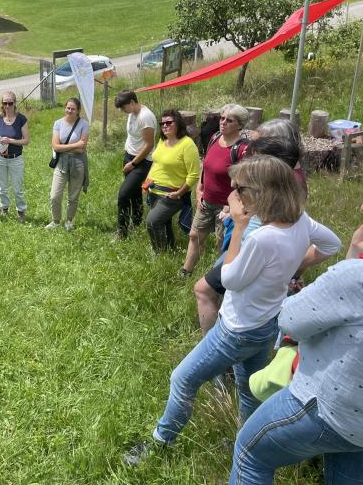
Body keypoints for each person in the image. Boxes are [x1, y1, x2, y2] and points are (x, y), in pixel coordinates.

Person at [125, 156, 340, 467]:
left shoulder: (263, 237)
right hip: (267, 325)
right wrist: (295, 265)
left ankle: (160, 442)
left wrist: (239, 226)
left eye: (238, 188)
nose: (233, 194)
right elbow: (332, 244)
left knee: (182, 379)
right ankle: (245, 437)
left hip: (237, 330)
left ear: (261, 192)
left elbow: (229, 279)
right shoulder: (300, 221)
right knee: (248, 388)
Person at [230, 156, 363, 484]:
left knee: (250, 452)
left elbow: (290, 320)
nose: (361, 208)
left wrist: (356, 252)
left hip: (329, 410)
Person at [193, 119, 308, 336]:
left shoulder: (282, 180)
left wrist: (237, 220)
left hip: (250, 244)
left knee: (205, 289)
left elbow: (271, 220)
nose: (251, 151)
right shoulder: (286, 174)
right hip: (250, 243)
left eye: (258, 145)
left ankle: (215, 345)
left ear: (275, 145)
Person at [179, 104, 249, 278]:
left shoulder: (243, 149)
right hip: (206, 200)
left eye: (229, 120)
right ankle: (186, 271)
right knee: (194, 234)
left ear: (240, 125)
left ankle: (220, 278)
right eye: (222, 118)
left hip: (226, 207)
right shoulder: (214, 138)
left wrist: (229, 207)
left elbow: (245, 182)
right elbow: (207, 165)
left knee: (222, 244)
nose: (223, 122)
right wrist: (200, 188)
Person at [145, 110, 200, 253]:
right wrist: (146, 182)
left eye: (169, 122)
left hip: (171, 194)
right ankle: (169, 249)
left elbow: (193, 175)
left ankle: (159, 253)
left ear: (178, 124)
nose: (164, 126)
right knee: (164, 222)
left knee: (152, 222)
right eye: (162, 123)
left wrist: (179, 193)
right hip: (154, 189)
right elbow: (156, 163)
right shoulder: (163, 140)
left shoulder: (187, 144)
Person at [114, 89, 156, 240]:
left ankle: (121, 231)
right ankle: (137, 223)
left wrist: (133, 163)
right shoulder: (132, 113)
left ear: (132, 102)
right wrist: (128, 157)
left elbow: (149, 145)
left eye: (124, 107)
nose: (123, 111)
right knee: (134, 193)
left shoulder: (146, 117)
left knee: (123, 194)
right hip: (129, 156)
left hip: (142, 162)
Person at [47, 98, 89, 231]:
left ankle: (69, 221)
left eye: (73, 109)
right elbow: (55, 146)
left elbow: (82, 149)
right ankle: (56, 221)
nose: (69, 111)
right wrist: (75, 144)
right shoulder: (58, 123)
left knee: (73, 195)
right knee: (54, 195)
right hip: (61, 162)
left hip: (78, 163)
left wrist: (64, 147)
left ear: (78, 111)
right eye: (68, 108)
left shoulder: (84, 124)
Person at [0, 92, 30, 221]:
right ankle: (4, 209)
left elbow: (26, 140)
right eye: (4, 103)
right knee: (3, 186)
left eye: (10, 103)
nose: (7, 106)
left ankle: (21, 211)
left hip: (16, 159)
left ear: (15, 103)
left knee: (17, 187)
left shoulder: (21, 119)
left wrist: (10, 141)